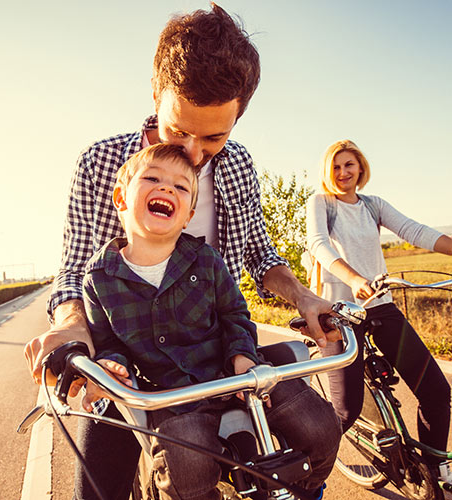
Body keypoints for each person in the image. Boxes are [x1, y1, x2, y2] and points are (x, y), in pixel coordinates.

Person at [24, 5, 337, 499]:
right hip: (131, 370)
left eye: (214, 135)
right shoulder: (102, 161)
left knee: (297, 475)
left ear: (238, 114)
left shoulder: (237, 166)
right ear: (155, 94)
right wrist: (71, 327)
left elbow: (259, 252)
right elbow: (74, 273)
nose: (193, 153)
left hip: (224, 358)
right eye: (178, 131)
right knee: (96, 490)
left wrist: (305, 298)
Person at [82, 143, 341, 500]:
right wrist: (114, 366)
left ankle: (308, 489)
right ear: (121, 198)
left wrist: (242, 357)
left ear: (188, 214)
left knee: (320, 426)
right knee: (184, 470)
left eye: (181, 186)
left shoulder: (206, 260)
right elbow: (110, 343)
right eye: (153, 178)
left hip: (239, 373)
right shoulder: (98, 279)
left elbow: (235, 314)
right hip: (174, 394)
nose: (167, 188)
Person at [306, 139, 452, 471]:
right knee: (346, 412)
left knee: (436, 391)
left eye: (349, 165)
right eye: (336, 166)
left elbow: (414, 231)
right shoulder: (321, 203)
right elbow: (319, 245)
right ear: (329, 172)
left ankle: (432, 469)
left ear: (360, 168)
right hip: (339, 314)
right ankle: (305, 473)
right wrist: (355, 279)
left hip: (380, 305)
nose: (343, 172)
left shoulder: (373, 205)